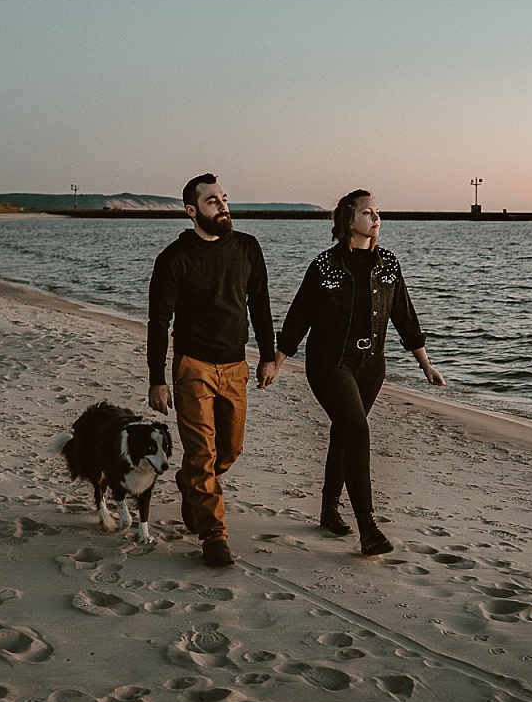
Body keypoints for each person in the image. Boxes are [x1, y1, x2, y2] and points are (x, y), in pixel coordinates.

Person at [263, 189, 444, 556]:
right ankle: (368, 527)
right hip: (329, 362)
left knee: (345, 432)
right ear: (348, 220)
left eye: (377, 212)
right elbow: (299, 316)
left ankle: (329, 509)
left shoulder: (389, 264)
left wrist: (424, 363)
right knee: (357, 431)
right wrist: (276, 362)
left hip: (371, 365)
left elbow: (404, 316)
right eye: (367, 212)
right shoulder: (325, 265)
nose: (375, 218)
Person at [147, 174, 278, 568]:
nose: (222, 206)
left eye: (223, 199)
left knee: (230, 450)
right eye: (211, 201)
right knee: (202, 453)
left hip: (236, 365)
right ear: (192, 211)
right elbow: (158, 321)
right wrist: (156, 378)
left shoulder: (248, 248)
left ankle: (189, 484)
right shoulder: (174, 258)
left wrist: (268, 356)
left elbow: (260, 306)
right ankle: (214, 536)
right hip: (193, 367)